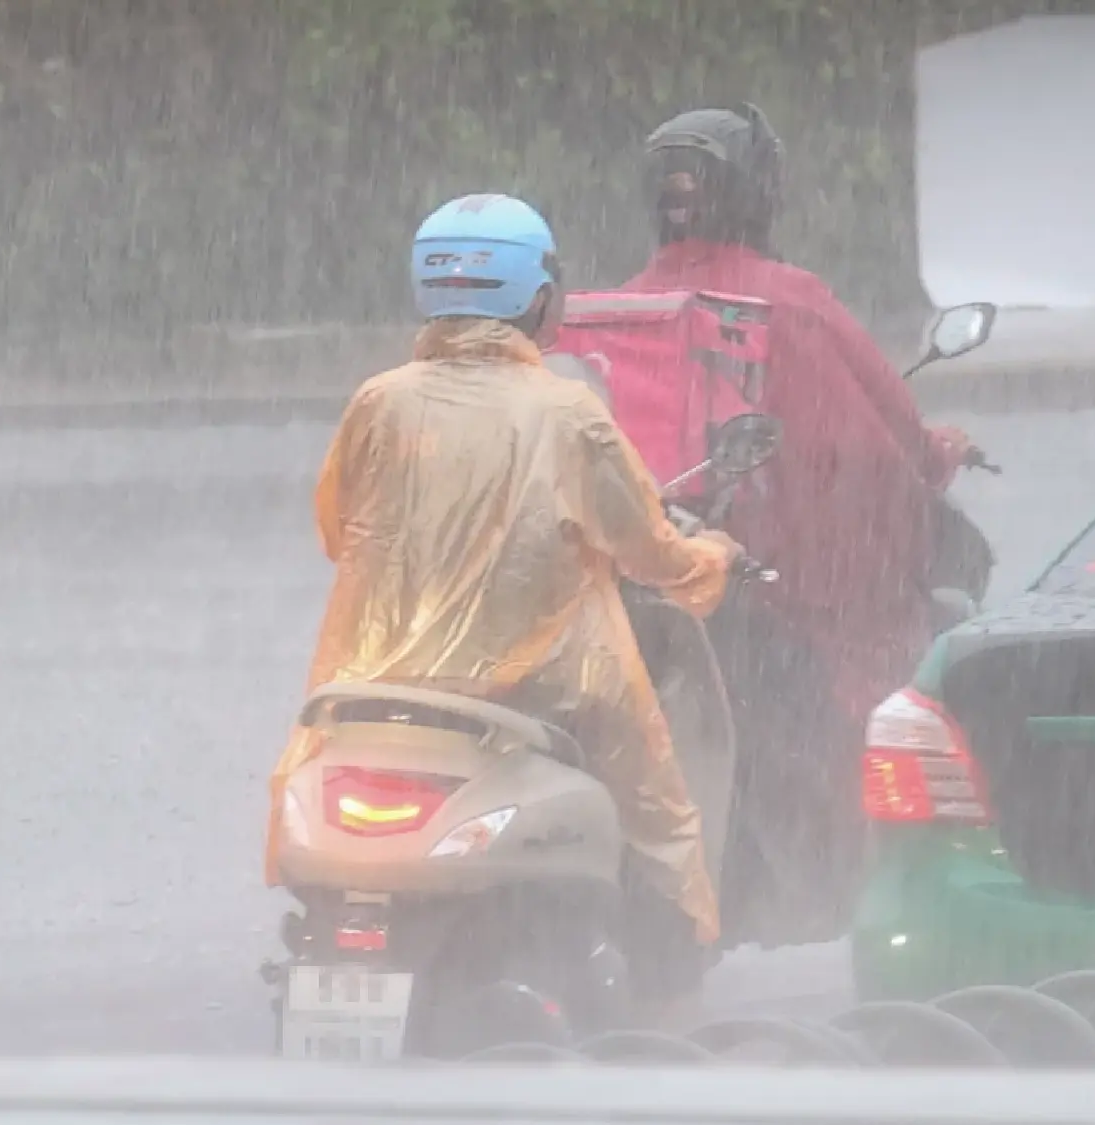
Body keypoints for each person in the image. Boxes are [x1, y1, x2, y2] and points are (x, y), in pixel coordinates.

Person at [265, 192, 742, 1006]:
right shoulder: (568, 414)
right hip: (544, 687)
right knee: (660, 809)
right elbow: (648, 550)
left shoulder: (379, 401)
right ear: (542, 299)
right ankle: (665, 963)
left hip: (381, 683)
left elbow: (337, 525)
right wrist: (711, 559)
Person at [624, 104, 974, 940]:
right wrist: (937, 452)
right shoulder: (795, 304)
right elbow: (875, 440)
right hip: (782, 603)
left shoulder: (629, 310)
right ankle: (869, 892)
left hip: (664, 590)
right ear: (761, 190)